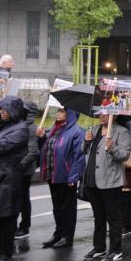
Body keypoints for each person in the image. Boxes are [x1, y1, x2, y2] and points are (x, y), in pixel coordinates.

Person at [82, 114, 130, 261]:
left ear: (114, 115)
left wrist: (112, 147)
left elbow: (125, 155)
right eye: (100, 112)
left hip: (110, 181)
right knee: (98, 216)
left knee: (113, 217)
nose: (101, 116)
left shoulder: (121, 131)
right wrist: (86, 141)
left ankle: (116, 250)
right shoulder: (94, 129)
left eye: (106, 113)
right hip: (92, 179)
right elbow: (84, 151)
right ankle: (99, 247)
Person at [37, 106, 85, 249]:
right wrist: (42, 138)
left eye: (62, 111)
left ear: (70, 113)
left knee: (68, 209)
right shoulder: (55, 129)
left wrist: (73, 177)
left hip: (67, 176)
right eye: (58, 111)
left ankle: (67, 237)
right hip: (53, 175)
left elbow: (79, 156)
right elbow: (48, 148)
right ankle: (58, 233)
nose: (58, 114)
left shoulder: (77, 131)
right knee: (57, 208)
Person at [0, 96, 28, 261]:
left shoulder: (21, 129)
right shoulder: (4, 126)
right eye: (0, 109)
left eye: (5, 109)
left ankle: (5, 258)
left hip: (9, 180)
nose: (2, 112)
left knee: (7, 221)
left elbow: (2, 146)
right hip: (2, 177)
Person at [14, 102, 40, 240]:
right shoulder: (20, 126)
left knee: (23, 198)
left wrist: (19, 166)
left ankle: (24, 227)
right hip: (18, 169)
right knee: (16, 197)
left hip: (24, 170)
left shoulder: (31, 128)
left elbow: (33, 151)